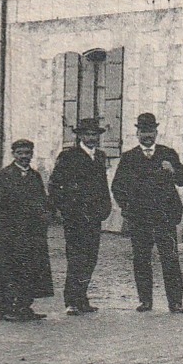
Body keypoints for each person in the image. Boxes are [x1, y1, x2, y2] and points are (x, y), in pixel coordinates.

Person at [111, 112, 183, 314]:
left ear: (156, 132)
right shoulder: (129, 157)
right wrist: (128, 208)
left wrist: (173, 170)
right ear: (137, 133)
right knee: (141, 259)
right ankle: (145, 301)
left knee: (170, 259)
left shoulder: (168, 154)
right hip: (140, 218)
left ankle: (175, 302)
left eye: (151, 131)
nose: (148, 135)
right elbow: (118, 186)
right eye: (143, 131)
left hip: (164, 217)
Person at [49, 117, 113, 316]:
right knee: (76, 257)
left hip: (93, 217)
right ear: (80, 136)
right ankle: (71, 301)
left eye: (95, 134)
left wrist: (105, 207)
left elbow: (102, 185)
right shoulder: (69, 157)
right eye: (88, 134)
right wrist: (65, 209)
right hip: (75, 217)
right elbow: (55, 185)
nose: (91, 138)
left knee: (90, 258)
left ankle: (83, 297)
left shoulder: (100, 157)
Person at [0, 139, 54, 322]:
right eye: (20, 153)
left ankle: (24, 307)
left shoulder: (35, 176)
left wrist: (45, 217)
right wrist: (4, 226)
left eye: (27, 153)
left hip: (32, 233)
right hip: (10, 233)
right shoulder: (2, 175)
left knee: (30, 270)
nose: (24, 157)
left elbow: (42, 201)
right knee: (8, 271)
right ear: (13, 154)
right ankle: (6, 309)